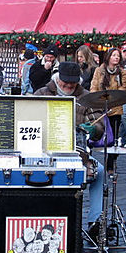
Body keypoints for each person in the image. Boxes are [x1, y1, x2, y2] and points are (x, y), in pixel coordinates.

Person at [34, 61, 105, 237]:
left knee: (100, 172)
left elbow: (99, 127)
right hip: (44, 151)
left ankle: (94, 221)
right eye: (64, 83)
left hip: (75, 153)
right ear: (57, 79)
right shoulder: (42, 93)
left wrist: (94, 129)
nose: (67, 87)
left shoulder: (87, 97)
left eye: (72, 84)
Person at [90, 47, 126, 173]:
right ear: (108, 57)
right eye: (114, 55)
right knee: (98, 134)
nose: (116, 58)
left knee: (113, 137)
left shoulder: (122, 72)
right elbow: (94, 87)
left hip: (115, 107)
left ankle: (110, 164)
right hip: (101, 106)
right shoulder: (99, 70)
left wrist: (114, 100)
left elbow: (123, 89)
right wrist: (97, 101)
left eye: (118, 56)